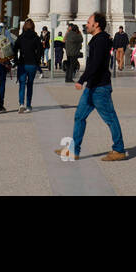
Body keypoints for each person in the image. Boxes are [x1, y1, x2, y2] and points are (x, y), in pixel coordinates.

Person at [55, 13, 127, 162]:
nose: (86, 24)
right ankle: (73, 150)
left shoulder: (100, 41)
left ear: (96, 25)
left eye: (89, 22)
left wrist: (81, 80)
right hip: (92, 86)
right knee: (79, 116)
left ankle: (119, 150)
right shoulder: (98, 39)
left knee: (110, 118)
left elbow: (96, 64)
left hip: (100, 87)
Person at [14, 19, 43, 113]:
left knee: (22, 84)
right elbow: (40, 51)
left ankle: (21, 103)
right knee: (30, 84)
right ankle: (29, 105)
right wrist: (37, 60)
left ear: (24, 27)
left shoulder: (21, 37)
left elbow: (14, 49)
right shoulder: (36, 37)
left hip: (22, 63)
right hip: (32, 64)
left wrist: (16, 60)